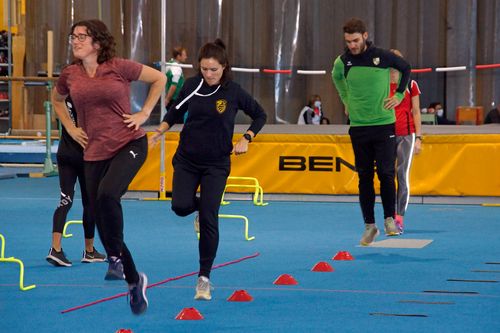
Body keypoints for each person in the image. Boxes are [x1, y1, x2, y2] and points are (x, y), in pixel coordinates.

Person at [52, 19, 166, 315]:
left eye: (82, 37)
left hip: (129, 144)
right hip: (93, 152)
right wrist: (70, 126)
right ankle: (133, 280)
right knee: (101, 217)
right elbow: (57, 98)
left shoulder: (118, 66)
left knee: (106, 196)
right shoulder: (70, 74)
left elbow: (159, 79)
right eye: (72, 36)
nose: (75, 41)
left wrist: (145, 113)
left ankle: (114, 256)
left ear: (98, 43)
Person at [150, 39, 267, 301]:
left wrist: (246, 138)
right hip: (188, 160)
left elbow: (260, 115)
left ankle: (204, 278)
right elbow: (175, 111)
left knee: (209, 218)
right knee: (180, 206)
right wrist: (159, 131)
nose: (209, 74)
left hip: (216, 164)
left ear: (224, 67)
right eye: (204, 69)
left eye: (213, 69)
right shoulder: (193, 86)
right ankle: (201, 206)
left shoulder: (234, 92)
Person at [332, 18, 411, 245]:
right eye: (348, 41)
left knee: (386, 174)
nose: (352, 46)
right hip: (359, 127)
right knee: (364, 177)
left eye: (355, 40)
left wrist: (398, 95)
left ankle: (389, 219)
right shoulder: (343, 61)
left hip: (384, 124)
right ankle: (369, 226)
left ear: (365, 36)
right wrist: (345, 98)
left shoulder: (383, 56)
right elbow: (336, 77)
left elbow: (405, 69)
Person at [46, 96, 106, 267]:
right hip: (85, 157)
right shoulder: (90, 99)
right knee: (90, 203)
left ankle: (55, 248)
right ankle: (89, 251)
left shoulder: (63, 98)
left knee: (65, 200)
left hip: (65, 154)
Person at [390, 49, 422, 233]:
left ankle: (399, 217)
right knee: (387, 175)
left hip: (406, 134)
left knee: (401, 174)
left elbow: (416, 111)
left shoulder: (410, 84)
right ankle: (389, 217)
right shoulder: (381, 84)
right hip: (385, 134)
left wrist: (418, 137)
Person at [165, 46, 188, 123]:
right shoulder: (176, 68)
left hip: (173, 99)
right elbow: (173, 85)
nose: (186, 57)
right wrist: (167, 99)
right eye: (184, 55)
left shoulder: (169, 64)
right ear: (178, 56)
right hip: (174, 100)